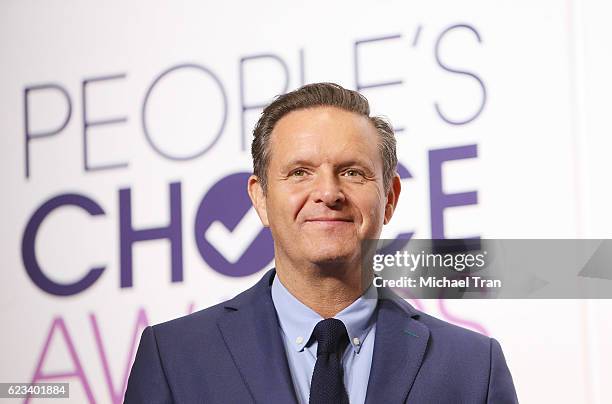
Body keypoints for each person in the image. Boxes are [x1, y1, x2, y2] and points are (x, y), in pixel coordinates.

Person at [124, 83, 518, 403]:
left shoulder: (472, 368)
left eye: (352, 172)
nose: (328, 193)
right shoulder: (173, 357)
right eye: (300, 172)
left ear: (390, 198)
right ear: (260, 198)